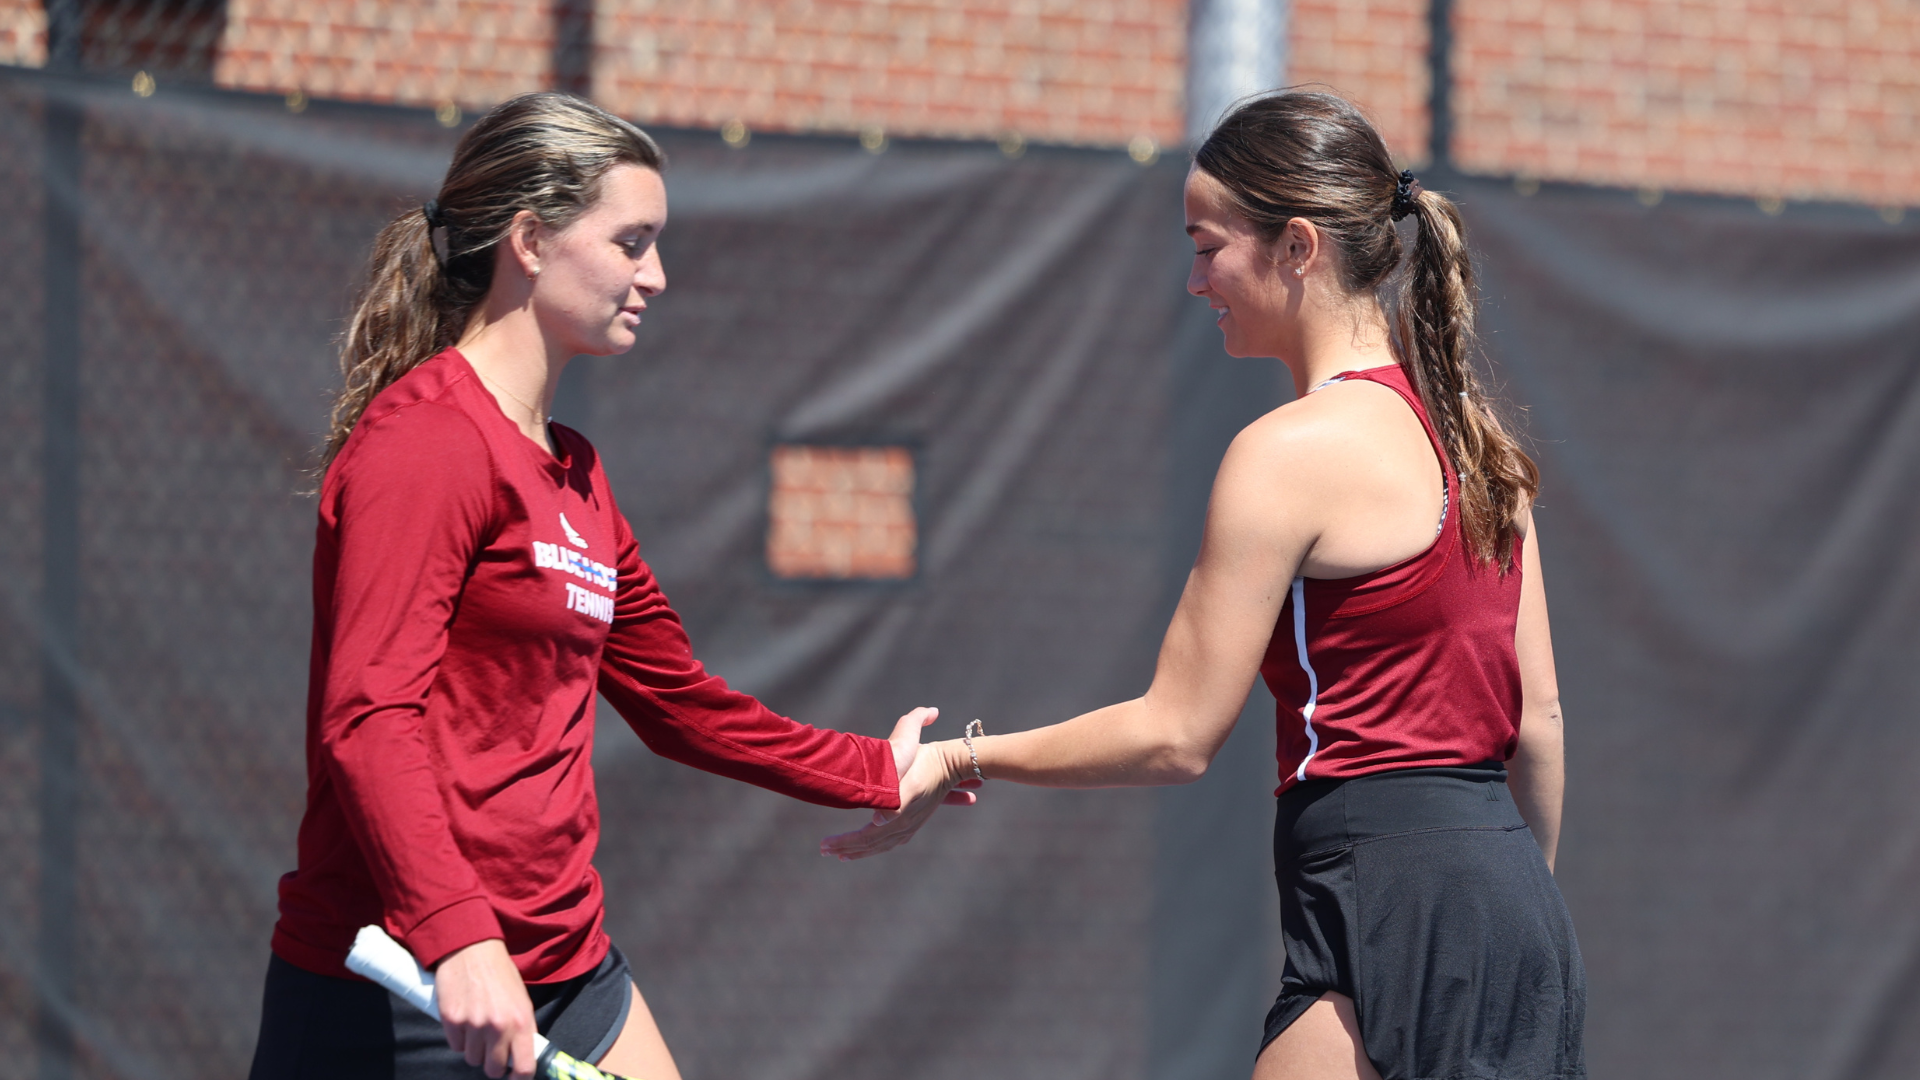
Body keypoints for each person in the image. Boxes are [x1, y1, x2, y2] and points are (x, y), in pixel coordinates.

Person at [827, 91, 1584, 1080]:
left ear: (1299, 246)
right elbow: (1542, 724)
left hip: (1385, 888)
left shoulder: (1287, 452)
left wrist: (962, 759)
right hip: (1509, 904)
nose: (1195, 279)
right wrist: (1504, 919)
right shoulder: (1481, 446)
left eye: (1208, 245)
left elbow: (1175, 734)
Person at [248, 92, 970, 1080]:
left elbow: (682, 702)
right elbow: (369, 716)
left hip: (569, 972)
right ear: (533, 240)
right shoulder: (425, 443)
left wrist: (879, 773)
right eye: (632, 243)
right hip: (401, 988)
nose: (657, 276)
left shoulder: (576, 473)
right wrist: (461, 938)